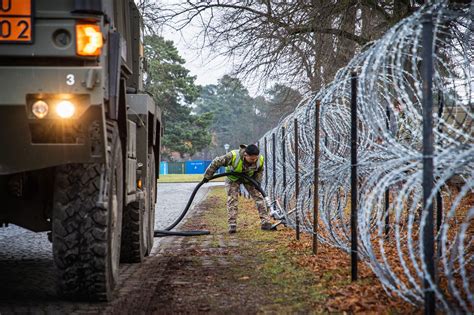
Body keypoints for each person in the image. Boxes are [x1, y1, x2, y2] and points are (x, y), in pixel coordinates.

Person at [203, 144, 274, 233]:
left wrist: (257, 182)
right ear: (245, 155)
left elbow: (260, 170)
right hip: (232, 178)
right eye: (252, 159)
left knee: (259, 197)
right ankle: (232, 224)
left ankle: (265, 222)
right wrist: (208, 176)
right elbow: (216, 162)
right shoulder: (233, 156)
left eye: (255, 158)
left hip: (248, 178)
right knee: (232, 199)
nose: (254, 160)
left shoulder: (260, 159)